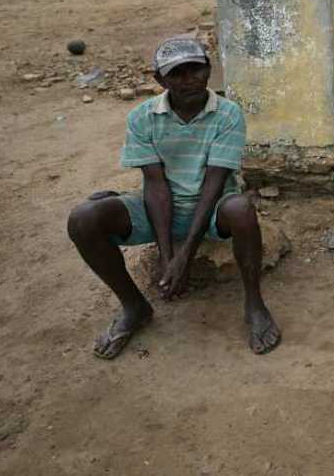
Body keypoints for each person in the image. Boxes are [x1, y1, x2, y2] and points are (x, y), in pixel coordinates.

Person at [66, 36, 280, 359]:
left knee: (241, 208)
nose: (188, 79)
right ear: (159, 80)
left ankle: (254, 304)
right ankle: (134, 306)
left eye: (196, 69)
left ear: (209, 71)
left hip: (212, 210)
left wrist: (187, 256)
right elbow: (155, 186)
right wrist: (168, 257)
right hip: (158, 210)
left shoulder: (228, 114)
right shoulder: (142, 117)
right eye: (176, 73)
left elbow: (214, 183)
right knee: (83, 219)